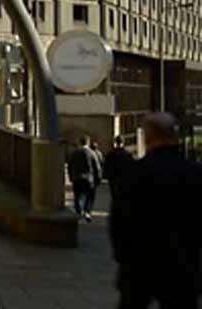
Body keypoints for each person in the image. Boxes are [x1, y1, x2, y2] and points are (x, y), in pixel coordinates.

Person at [110, 112, 202, 309]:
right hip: (184, 266)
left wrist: (123, 255)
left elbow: (118, 221)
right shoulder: (195, 173)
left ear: (149, 137)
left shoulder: (135, 173)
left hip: (139, 265)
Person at [67, 135, 102, 223]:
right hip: (89, 179)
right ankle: (87, 211)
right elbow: (97, 167)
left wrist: (71, 176)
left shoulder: (74, 153)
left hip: (77, 178)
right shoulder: (92, 153)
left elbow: (70, 166)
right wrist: (98, 179)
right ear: (88, 142)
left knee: (77, 196)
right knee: (90, 196)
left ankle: (78, 211)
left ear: (80, 142)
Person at [103, 135, 134, 202]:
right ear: (123, 142)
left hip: (113, 178)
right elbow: (131, 167)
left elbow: (106, 166)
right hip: (124, 178)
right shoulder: (127, 154)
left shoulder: (110, 154)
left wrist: (107, 176)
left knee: (114, 196)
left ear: (115, 143)